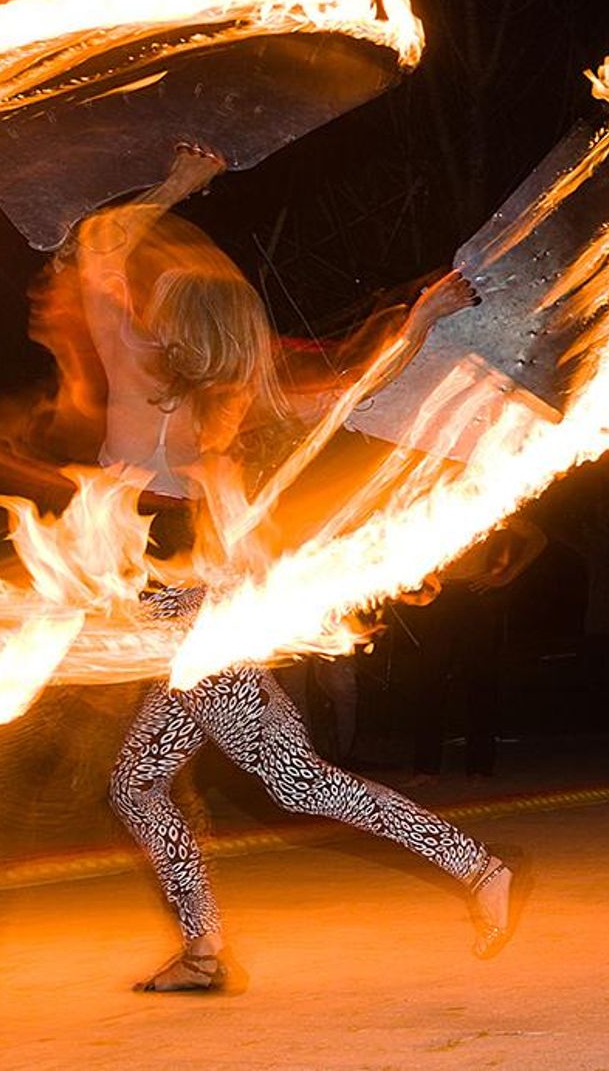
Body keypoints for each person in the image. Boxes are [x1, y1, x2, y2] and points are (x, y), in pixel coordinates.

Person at [76, 146, 516, 991]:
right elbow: (352, 388)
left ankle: (477, 866)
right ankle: (203, 950)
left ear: (172, 321)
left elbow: (98, 244)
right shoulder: (231, 392)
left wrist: (173, 186)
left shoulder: (140, 370)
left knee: (293, 779)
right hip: (187, 611)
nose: (145, 298)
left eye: (158, 298)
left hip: (195, 616)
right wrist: (417, 320)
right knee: (137, 782)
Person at [401, 516, 547, 781]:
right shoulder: (436, 501)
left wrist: (506, 576)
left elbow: (537, 538)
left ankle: (480, 765)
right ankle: (426, 767)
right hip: (437, 596)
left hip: (475, 593)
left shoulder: (487, 501)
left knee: (480, 678)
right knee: (430, 678)